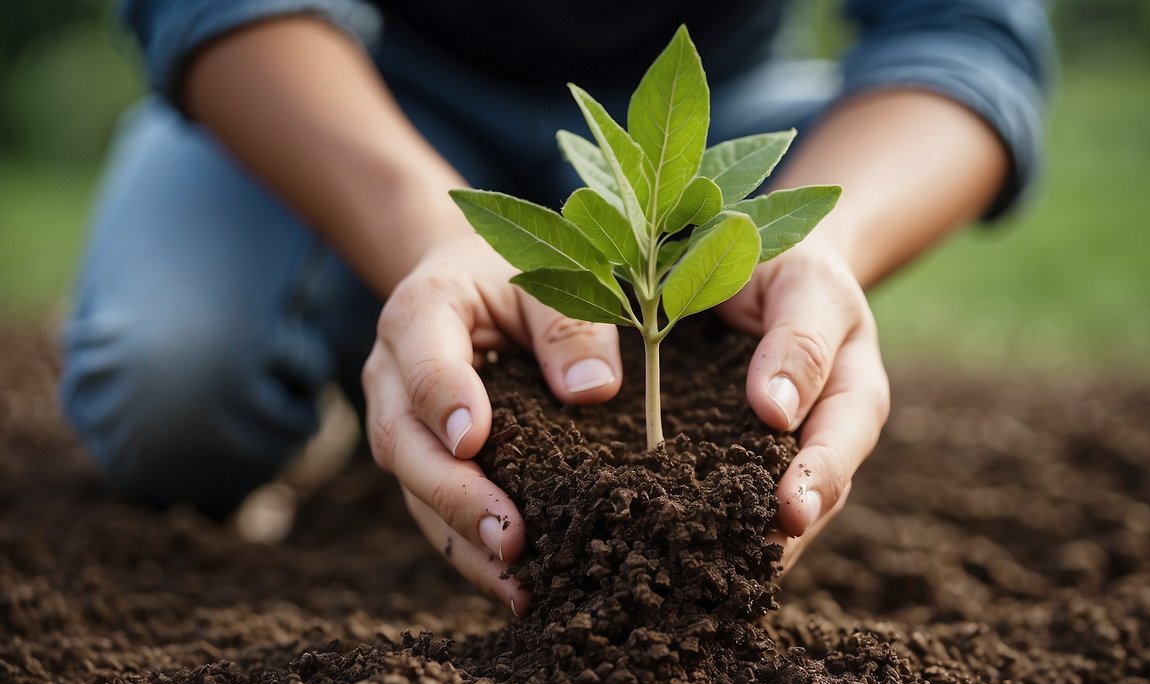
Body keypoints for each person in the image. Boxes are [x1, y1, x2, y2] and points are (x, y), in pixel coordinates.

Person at [60, 1, 1054, 615]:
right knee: (169, 380)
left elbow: (965, 31)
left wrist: (822, 246)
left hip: (691, 140)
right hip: (346, 94)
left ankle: (431, 346)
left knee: (756, 309)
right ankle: (380, 343)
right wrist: (427, 235)